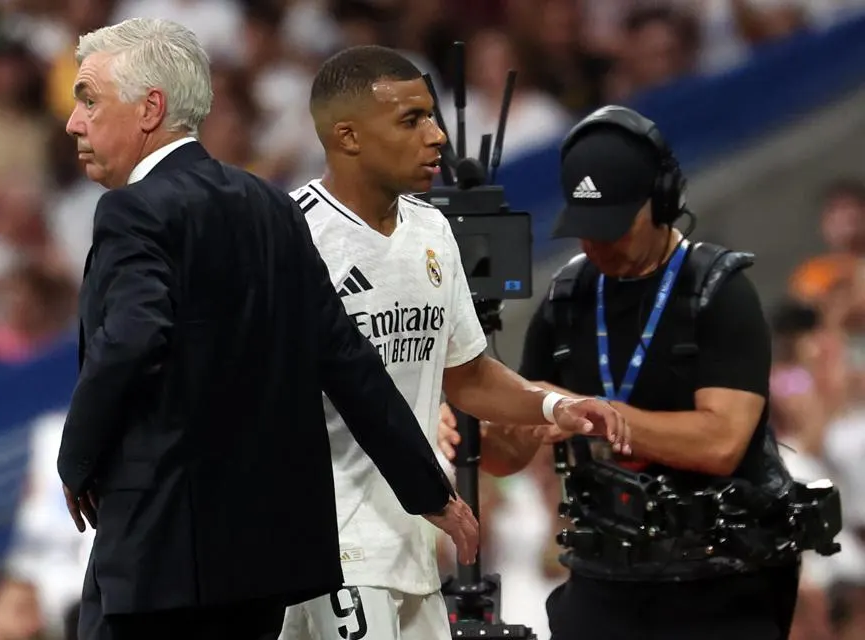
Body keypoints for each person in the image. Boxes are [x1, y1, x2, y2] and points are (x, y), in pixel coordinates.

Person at [57, 19, 481, 640]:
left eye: (90, 99)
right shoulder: (272, 206)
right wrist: (430, 491)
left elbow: (133, 338)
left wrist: (75, 460)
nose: (74, 121)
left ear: (151, 109)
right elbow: (346, 359)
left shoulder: (133, 210)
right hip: (262, 568)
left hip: (156, 560)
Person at [279, 45, 629, 640]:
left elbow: (469, 376)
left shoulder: (432, 228)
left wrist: (555, 406)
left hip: (416, 542)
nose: (437, 136)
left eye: (433, 116)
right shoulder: (290, 234)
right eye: (411, 120)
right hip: (330, 546)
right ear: (348, 136)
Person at [489, 105, 800, 639]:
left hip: (720, 580)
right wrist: (478, 433)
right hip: (604, 576)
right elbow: (513, 450)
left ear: (661, 201)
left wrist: (598, 416)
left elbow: (722, 442)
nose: (596, 244)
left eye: (612, 227)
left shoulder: (717, 292)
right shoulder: (566, 300)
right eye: (585, 229)